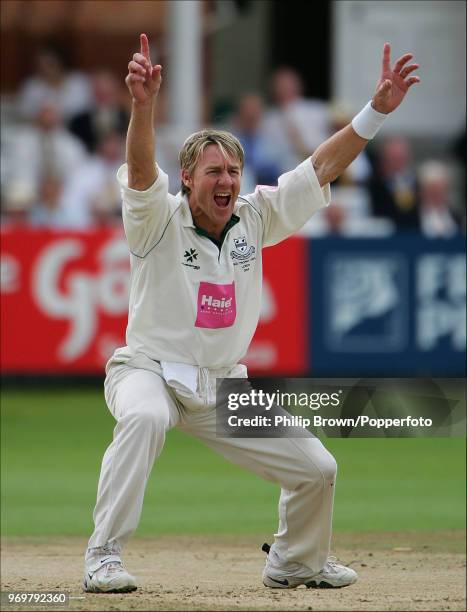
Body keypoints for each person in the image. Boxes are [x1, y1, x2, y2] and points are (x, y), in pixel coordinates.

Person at [83, 34, 420, 593]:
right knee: (142, 419)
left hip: (222, 388)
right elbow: (141, 174)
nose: (227, 181)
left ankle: (294, 562)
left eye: (233, 170)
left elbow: (319, 167)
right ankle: (103, 556)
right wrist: (143, 107)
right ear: (187, 177)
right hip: (149, 372)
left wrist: (375, 112)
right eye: (214, 171)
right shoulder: (156, 219)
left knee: (318, 470)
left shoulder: (255, 217)